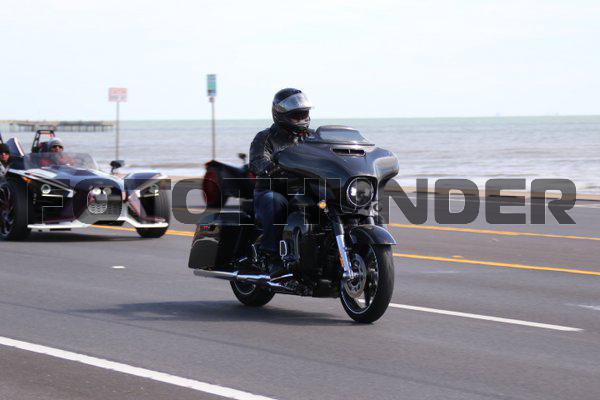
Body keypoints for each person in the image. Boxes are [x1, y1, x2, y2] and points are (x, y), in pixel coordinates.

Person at [249, 88, 313, 278]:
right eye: (296, 115)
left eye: (303, 114)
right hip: (273, 189)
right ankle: (272, 256)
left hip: (304, 189)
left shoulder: (313, 138)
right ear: (280, 114)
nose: (301, 118)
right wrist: (270, 168)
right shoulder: (265, 137)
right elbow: (258, 160)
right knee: (275, 202)